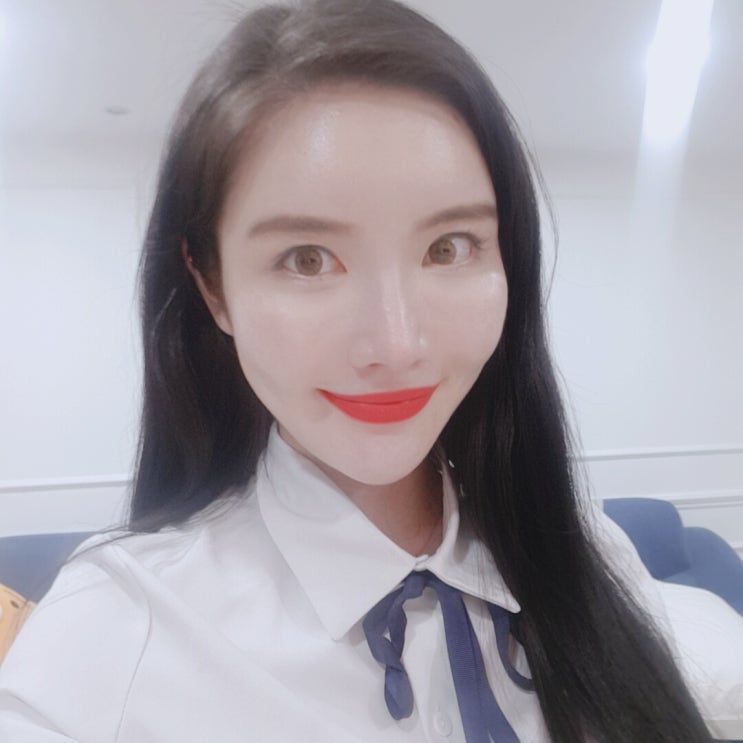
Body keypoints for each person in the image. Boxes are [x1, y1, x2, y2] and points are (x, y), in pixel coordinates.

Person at [0, 1, 736, 740]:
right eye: (307, 259)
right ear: (213, 286)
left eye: (448, 247)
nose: (396, 343)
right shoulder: (111, 634)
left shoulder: (581, 546)